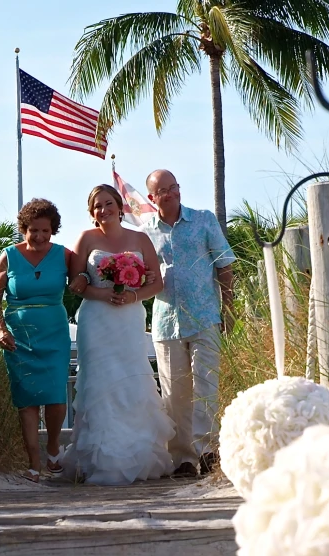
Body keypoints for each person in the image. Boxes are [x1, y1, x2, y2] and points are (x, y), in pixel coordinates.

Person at [62, 185, 174, 485]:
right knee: (98, 382)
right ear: (91, 212)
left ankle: (139, 454)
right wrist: (102, 291)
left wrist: (132, 297)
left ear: (119, 206)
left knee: (131, 379)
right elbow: (76, 283)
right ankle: (97, 458)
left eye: (108, 203)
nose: (103, 210)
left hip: (128, 318)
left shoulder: (139, 238)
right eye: (97, 206)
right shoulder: (86, 239)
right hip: (96, 319)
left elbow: (157, 283)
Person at [141, 169, 236, 478]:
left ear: (179, 189)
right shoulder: (145, 233)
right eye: (162, 191)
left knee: (206, 384)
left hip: (205, 315)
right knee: (174, 392)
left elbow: (225, 266)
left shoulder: (204, 220)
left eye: (173, 188)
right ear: (152, 198)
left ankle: (208, 451)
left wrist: (229, 308)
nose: (170, 194)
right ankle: (182, 458)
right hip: (166, 323)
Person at [0, 198, 78, 483]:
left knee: (54, 395)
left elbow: (83, 279)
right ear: (23, 229)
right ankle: (33, 462)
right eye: (33, 231)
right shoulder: (9, 255)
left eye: (45, 231)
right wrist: (1, 329)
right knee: (26, 400)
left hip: (54, 332)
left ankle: (52, 448)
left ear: (53, 231)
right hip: (18, 335)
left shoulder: (64, 255)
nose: (39, 237)